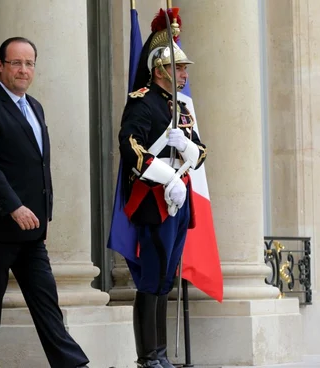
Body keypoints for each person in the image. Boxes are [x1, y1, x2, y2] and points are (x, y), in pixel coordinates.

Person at [0, 37, 89, 368]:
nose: (23, 70)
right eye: (16, 63)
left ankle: (73, 364)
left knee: (47, 302)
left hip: (32, 230)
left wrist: (44, 216)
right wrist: (14, 206)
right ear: (0, 65)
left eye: (29, 63)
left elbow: (39, 166)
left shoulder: (35, 107)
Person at [117, 10, 207, 368]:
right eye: (179, 68)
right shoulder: (143, 102)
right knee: (152, 279)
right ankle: (148, 356)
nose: (185, 75)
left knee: (167, 278)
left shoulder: (181, 106)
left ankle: (162, 354)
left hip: (179, 199)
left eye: (184, 68)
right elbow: (131, 147)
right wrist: (167, 177)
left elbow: (200, 152)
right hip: (154, 199)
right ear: (160, 70)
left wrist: (186, 149)